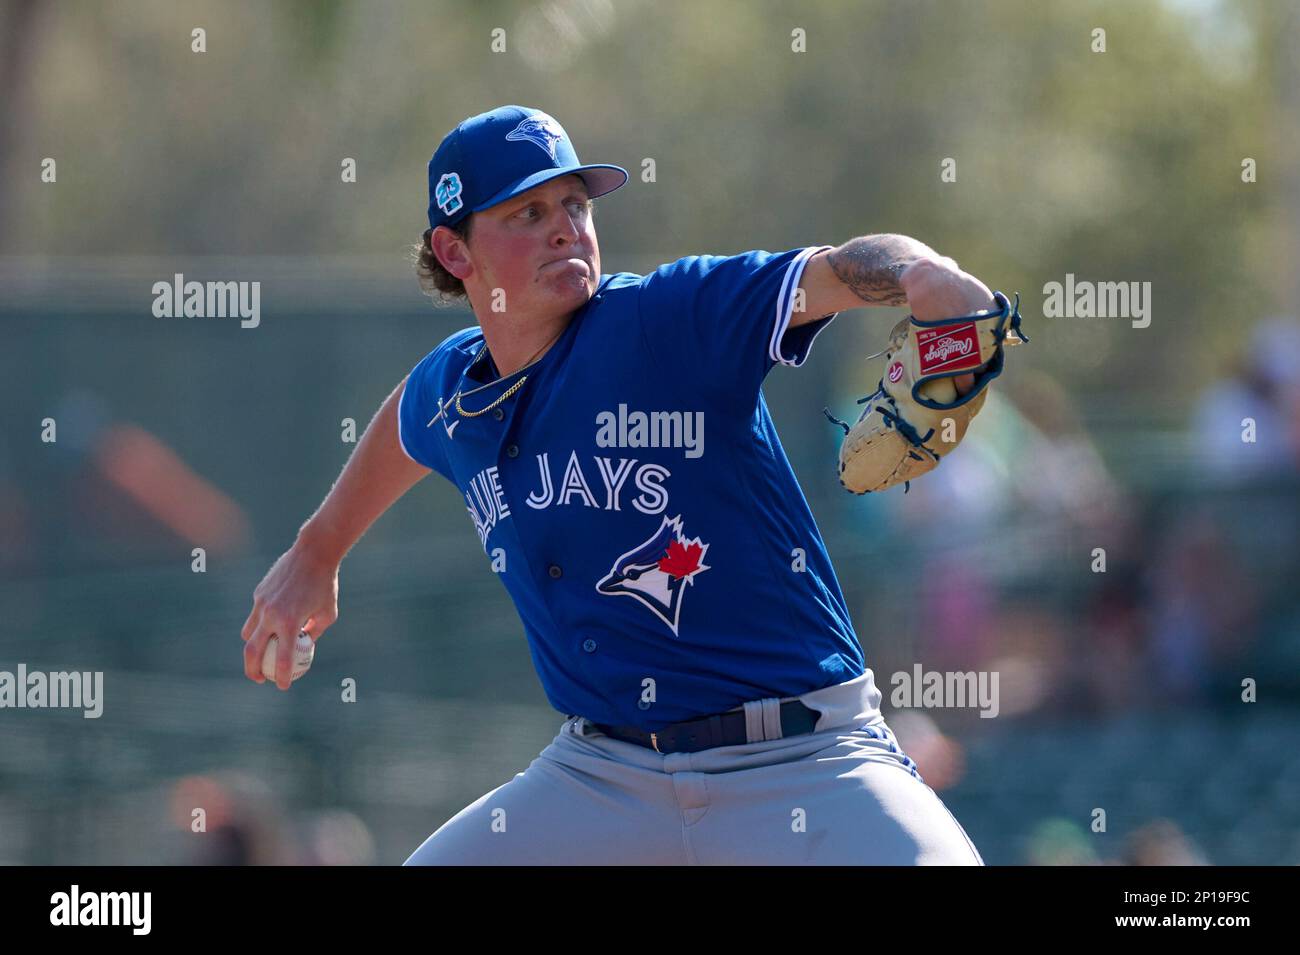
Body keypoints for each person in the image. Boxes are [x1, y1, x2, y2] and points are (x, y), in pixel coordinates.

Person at [241, 105, 995, 864]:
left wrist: (922, 276)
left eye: (575, 203)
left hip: (804, 759)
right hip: (606, 775)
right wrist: (316, 551)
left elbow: (834, 270)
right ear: (454, 249)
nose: (565, 227)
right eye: (527, 212)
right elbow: (405, 421)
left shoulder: (666, 320)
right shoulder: (454, 388)